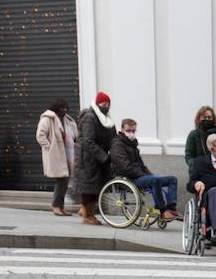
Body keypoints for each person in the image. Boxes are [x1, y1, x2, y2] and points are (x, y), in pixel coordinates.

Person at [110, 118, 180, 222]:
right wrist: (145, 176)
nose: (131, 133)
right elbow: (125, 167)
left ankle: (171, 208)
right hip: (129, 178)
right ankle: (162, 211)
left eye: (133, 131)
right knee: (154, 180)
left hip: (139, 175)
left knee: (172, 179)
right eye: (128, 131)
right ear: (122, 130)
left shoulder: (132, 144)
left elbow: (142, 165)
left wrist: (150, 175)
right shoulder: (117, 145)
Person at [73, 92, 116, 225]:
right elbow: (88, 141)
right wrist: (104, 157)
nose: (106, 106)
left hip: (98, 159)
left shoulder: (106, 119)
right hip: (87, 159)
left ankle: (85, 210)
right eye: (104, 104)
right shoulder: (90, 117)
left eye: (108, 104)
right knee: (88, 188)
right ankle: (87, 215)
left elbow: (113, 138)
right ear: (98, 104)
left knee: (97, 187)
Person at [35, 98, 78, 216]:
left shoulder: (66, 119)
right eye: (62, 108)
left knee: (64, 181)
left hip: (66, 154)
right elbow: (40, 135)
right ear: (56, 108)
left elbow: (73, 135)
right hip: (57, 154)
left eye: (65, 108)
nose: (64, 110)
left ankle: (61, 207)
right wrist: (49, 148)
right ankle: (55, 206)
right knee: (61, 181)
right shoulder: (48, 119)